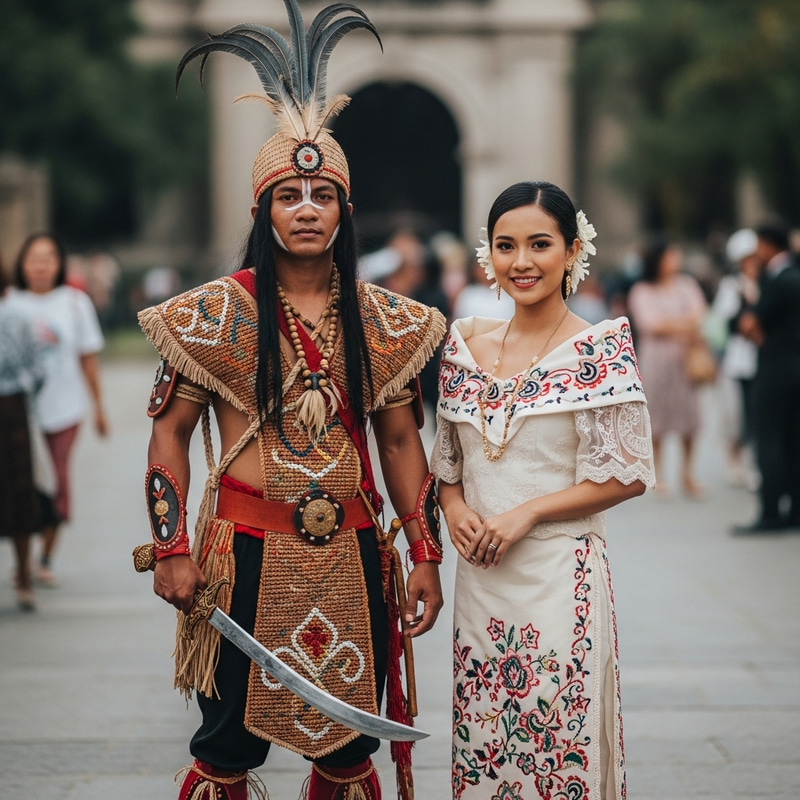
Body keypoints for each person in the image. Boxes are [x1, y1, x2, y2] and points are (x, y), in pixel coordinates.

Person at [137, 4, 446, 799]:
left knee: (348, 754)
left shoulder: (386, 321)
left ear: (345, 210)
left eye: (322, 194)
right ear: (262, 210)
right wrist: (171, 548)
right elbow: (170, 434)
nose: (306, 207)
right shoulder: (211, 316)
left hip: (352, 552)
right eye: (288, 194)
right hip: (241, 552)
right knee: (224, 750)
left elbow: (401, 442)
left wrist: (424, 554)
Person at [431, 181, 654, 800]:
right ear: (489, 253)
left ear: (572, 249)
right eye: (506, 246)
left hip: (560, 572)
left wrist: (527, 513)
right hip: (481, 578)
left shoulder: (599, 348)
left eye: (539, 244)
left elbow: (627, 473)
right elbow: (448, 465)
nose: (521, 262)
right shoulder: (464, 346)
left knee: (556, 739)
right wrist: (453, 506)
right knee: (486, 741)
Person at [9, 232, 107, 586]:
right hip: (19, 413)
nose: (40, 266)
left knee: (57, 481)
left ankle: (46, 557)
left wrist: (99, 407)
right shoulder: (10, 303)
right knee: (20, 485)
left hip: (65, 410)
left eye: (47, 258)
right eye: (33, 259)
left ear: (59, 264)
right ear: (22, 264)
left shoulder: (75, 303)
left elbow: (87, 357)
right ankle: (22, 558)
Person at [627, 238, 708, 498]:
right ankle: (658, 474)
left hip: (685, 361)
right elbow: (650, 324)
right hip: (657, 362)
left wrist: (670, 324)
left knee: (689, 418)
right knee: (657, 418)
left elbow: (699, 314)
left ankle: (687, 473)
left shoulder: (686, 285)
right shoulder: (642, 289)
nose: (676, 260)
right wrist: (683, 324)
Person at [733, 220, 800, 533]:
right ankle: (795, 511)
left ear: (768, 245)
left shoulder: (775, 279)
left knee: (769, 438)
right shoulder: (795, 275)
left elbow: (748, 324)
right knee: (794, 440)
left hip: (775, 368)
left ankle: (770, 510)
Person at [0, 260, 44, 611]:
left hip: (12, 408)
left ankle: (25, 574)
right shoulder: (18, 313)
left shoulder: (16, 314)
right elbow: (36, 369)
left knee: (18, 489)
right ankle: (25, 577)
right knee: (18, 489)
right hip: (14, 407)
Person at [713, 229, 760, 487]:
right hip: (738, 359)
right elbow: (726, 320)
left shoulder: (765, 281)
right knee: (737, 415)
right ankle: (734, 459)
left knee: (756, 415)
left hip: (760, 360)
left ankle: (753, 462)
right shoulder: (732, 286)